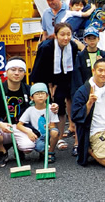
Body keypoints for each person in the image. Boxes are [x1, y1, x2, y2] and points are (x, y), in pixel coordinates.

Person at [30, 23, 79, 154]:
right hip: (45, 79)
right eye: (62, 34)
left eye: (68, 34)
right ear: (56, 35)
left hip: (64, 78)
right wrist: (50, 85)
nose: (66, 38)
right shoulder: (46, 47)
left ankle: (60, 137)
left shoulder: (73, 46)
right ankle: (45, 136)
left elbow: (71, 68)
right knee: (47, 107)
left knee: (60, 106)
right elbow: (39, 68)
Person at [16, 83, 60, 163]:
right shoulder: (30, 110)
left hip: (49, 132)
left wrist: (49, 126)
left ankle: (50, 152)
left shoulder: (51, 108)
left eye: (43, 93)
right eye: (37, 94)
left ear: (47, 96)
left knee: (55, 132)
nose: (40, 96)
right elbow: (19, 125)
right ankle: (43, 153)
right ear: (31, 98)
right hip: (37, 135)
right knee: (39, 147)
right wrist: (28, 132)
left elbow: (53, 125)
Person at [71, 27, 105, 96]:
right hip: (86, 88)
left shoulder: (103, 54)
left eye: (94, 38)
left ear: (98, 39)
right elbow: (77, 76)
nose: (92, 41)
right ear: (85, 40)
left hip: (102, 88)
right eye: (89, 39)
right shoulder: (80, 56)